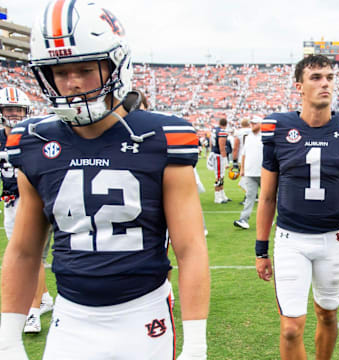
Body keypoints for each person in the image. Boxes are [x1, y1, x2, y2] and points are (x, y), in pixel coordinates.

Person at [0, 1, 210, 360]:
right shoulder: (35, 141)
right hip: (71, 315)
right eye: (59, 71)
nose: (72, 83)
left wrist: (196, 344)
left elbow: (190, 249)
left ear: (117, 64)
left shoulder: (162, 137)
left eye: (85, 68)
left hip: (142, 313)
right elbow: (23, 250)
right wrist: (7, 339)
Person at [256, 54, 339, 360]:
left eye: (329, 77)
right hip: (291, 240)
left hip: (334, 240)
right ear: (299, 86)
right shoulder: (277, 127)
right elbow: (267, 196)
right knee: (290, 327)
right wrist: (261, 249)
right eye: (316, 77)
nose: (325, 83)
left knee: (327, 314)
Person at [0, 86, 54, 334]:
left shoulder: (35, 136)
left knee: (32, 257)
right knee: (26, 255)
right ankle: (44, 299)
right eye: (8, 109)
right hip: (11, 201)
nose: (13, 114)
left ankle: (32, 312)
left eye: (17, 109)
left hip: (34, 200)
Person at [233, 116, 262, 229]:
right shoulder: (248, 137)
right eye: (251, 123)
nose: (252, 125)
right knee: (249, 197)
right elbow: (244, 154)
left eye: (255, 123)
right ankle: (243, 219)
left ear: (260, 124)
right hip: (250, 172)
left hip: (263, 173)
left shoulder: (265, 137)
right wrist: (242, 169)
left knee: (268, 198)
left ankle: (269, 219)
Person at [210, 117, 231, 203]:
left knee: (221, 176)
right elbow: (222, 147)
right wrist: (225, 159)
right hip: (219, 155)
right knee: (219, 176)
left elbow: (211, 143)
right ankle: (217, 197)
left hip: (215, 154)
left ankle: (222, 195)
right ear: (226, 124)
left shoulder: (215, 130)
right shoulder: (222, 132)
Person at [232, 118, 251, 204]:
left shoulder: (239, 132)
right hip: (253, 157)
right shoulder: (253, 131)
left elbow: (236, 147)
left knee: (244, 179)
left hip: (242, 157)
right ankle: (254, 195)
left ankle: (249, 196)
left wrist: (234, 160)